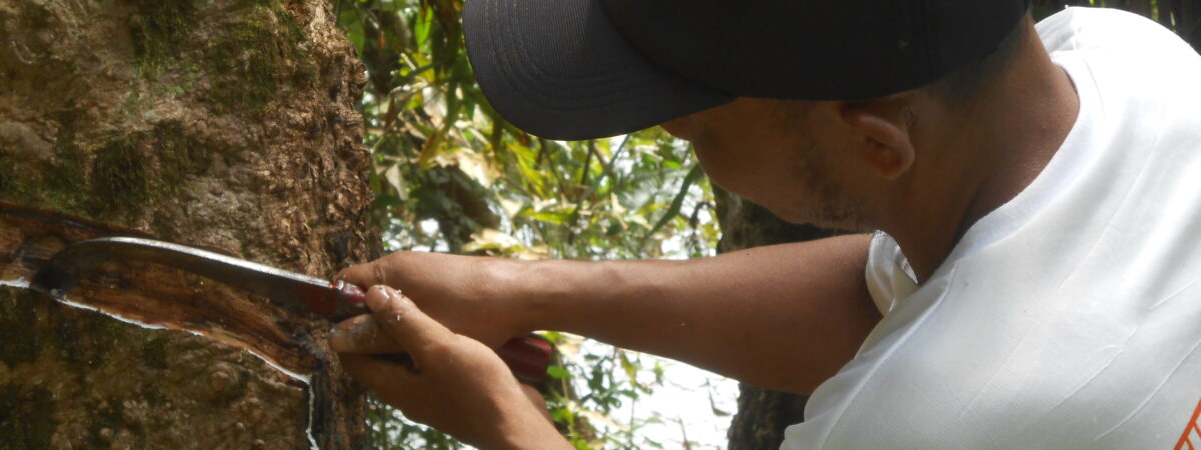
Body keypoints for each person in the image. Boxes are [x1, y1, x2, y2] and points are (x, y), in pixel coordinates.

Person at [330, 1, 1201, 448]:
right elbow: (893, 295)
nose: (671, 132)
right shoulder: (1129, 65)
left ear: (878, 143)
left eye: (693, 127)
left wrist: (505, 422)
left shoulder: (929, 426)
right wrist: (526, 292)